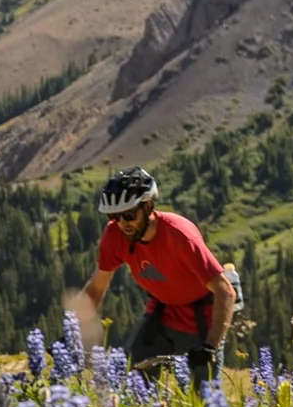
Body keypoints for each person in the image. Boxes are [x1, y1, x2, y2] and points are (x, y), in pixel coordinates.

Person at [81, 166, 234, 388]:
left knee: (205, 402)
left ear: (148, 206)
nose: (123, 224)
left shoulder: (180, 236)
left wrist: (211, 346)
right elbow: (95, 288)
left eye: (130, 215)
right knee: (131, 383)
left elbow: (225, 291)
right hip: (162, 314)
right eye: (115, 217)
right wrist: (72, 333)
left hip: (202, 321)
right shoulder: (115, 235)